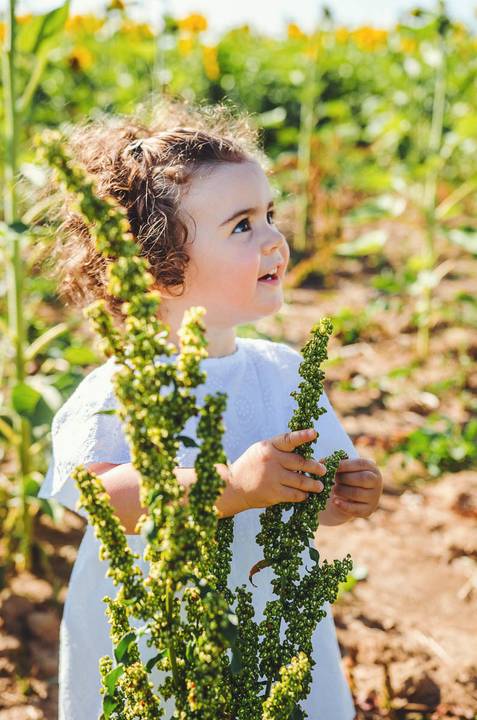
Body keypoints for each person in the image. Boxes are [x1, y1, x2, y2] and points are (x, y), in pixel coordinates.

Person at [38, 95, 383, 720]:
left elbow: (317, 496)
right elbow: (103, 499)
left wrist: (343, 496)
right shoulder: (117, 389)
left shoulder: (280, 373)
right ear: (160, 268)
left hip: (271, 627)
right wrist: (230, 484)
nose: (276, 239)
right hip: (153, 637)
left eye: (270, 214)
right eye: (243, 224)